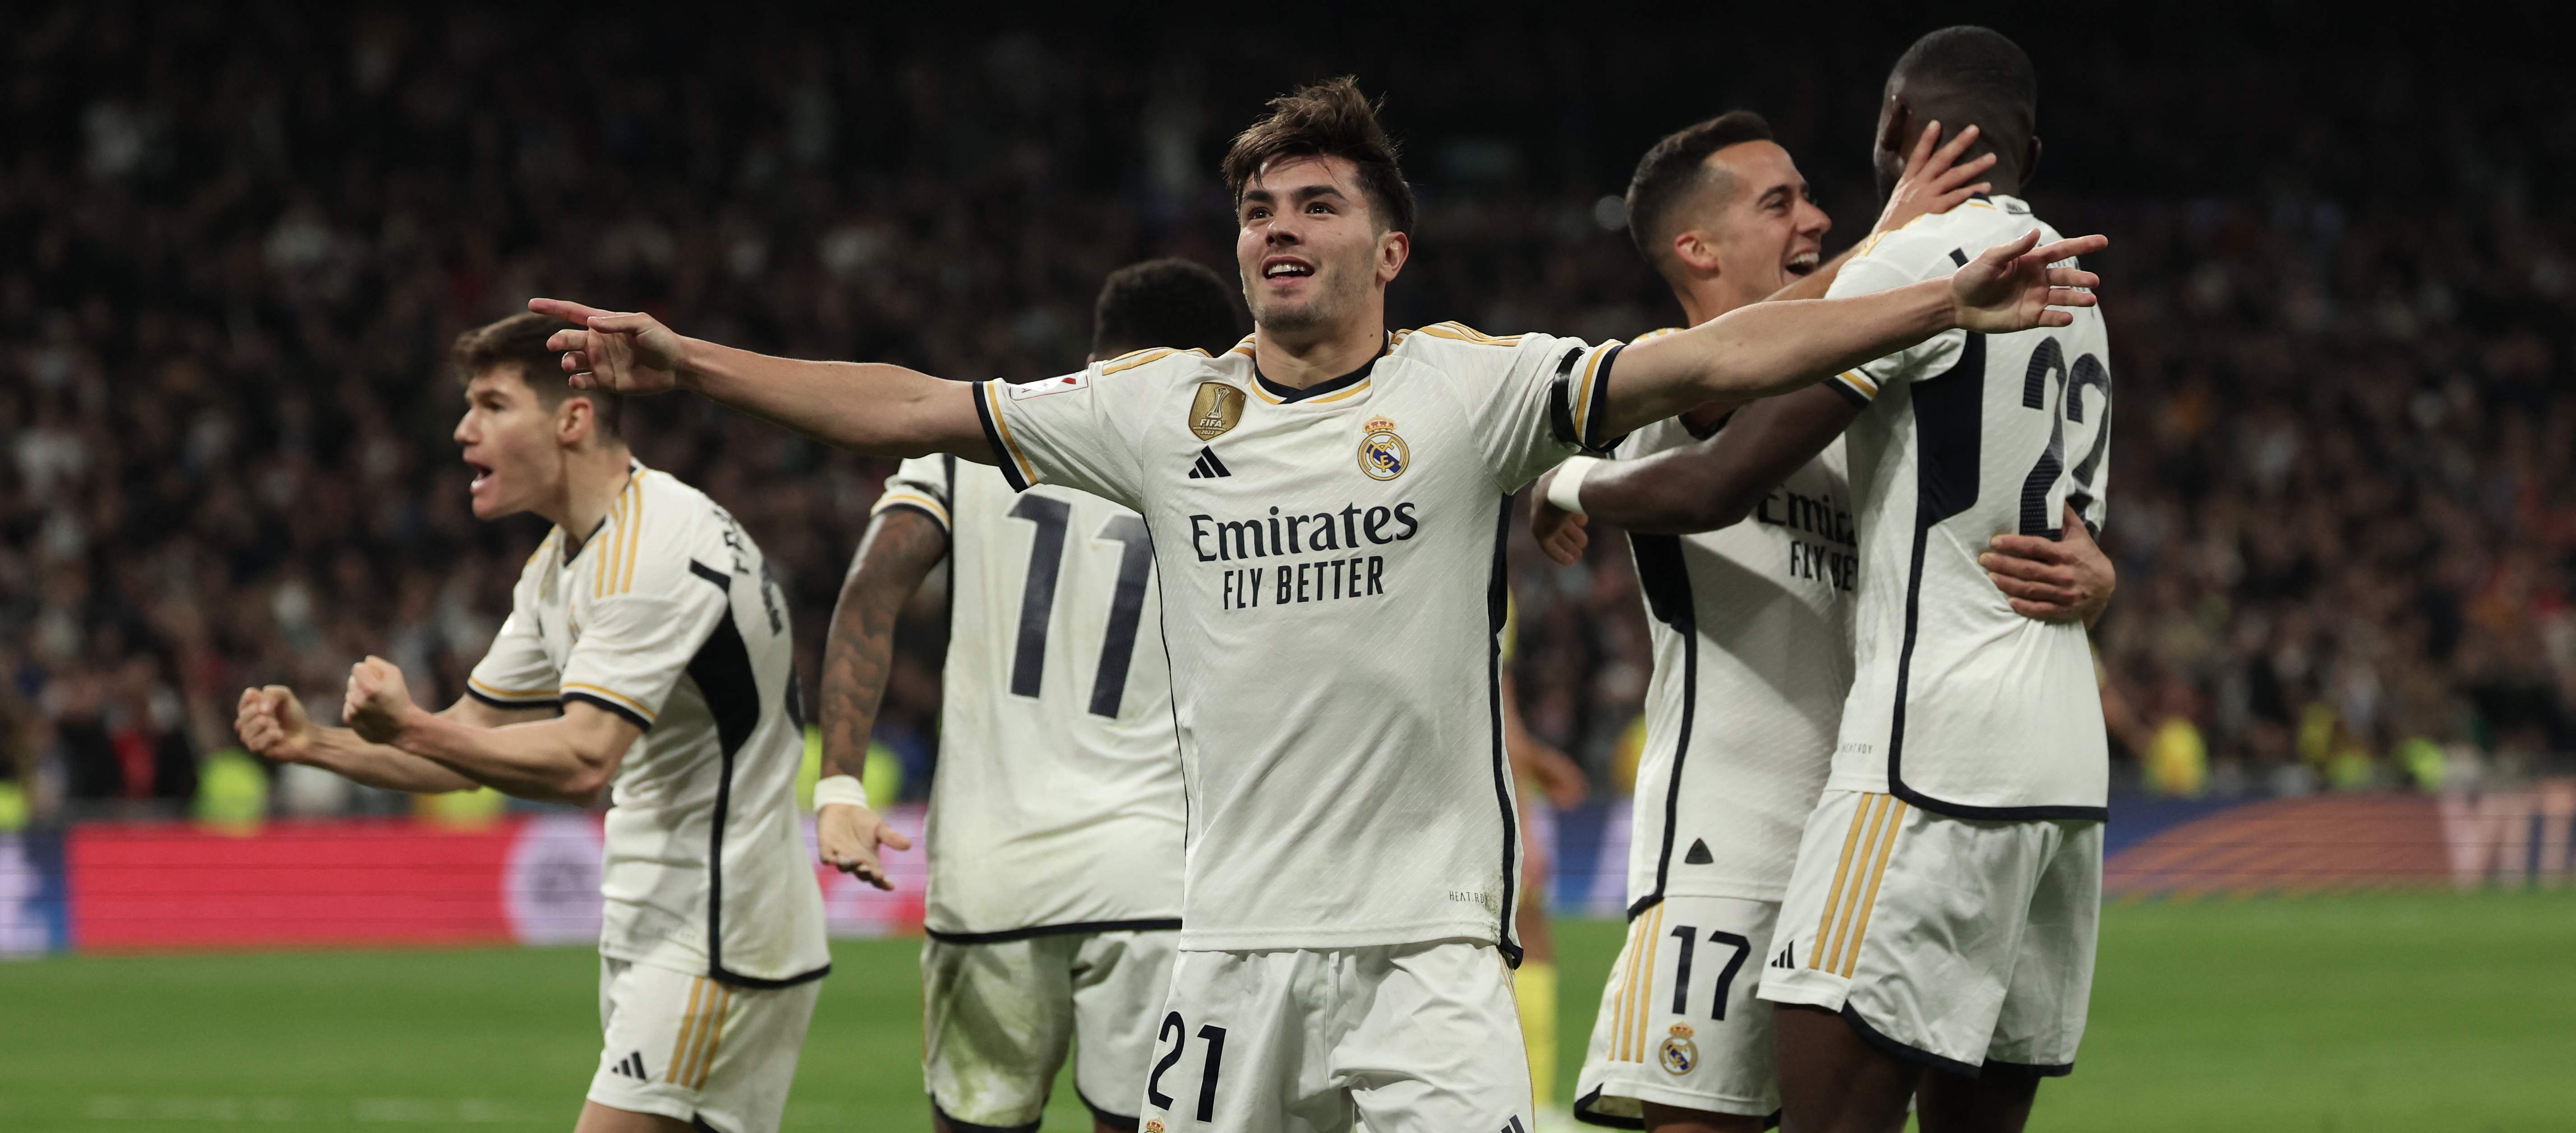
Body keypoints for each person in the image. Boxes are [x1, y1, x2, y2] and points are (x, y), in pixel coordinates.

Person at [530, 75, 2102, 1132]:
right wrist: (688, 359)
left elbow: (1711, 362)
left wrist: (1926, 299)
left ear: (1387, 246)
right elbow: (906, 407)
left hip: (1427, 957)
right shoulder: (1156, 412)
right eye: (1258, 210)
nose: (1277, 227)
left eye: (1316, 205)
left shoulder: (1470, 392)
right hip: (1227, 950)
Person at [1531, 111, 2115, 1133]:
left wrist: (2092, 573)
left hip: (1874, 833)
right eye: (1780, 203)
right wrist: (1890, 249)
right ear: (1697, 250)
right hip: (1727, 847)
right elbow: (1726, 373)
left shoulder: (1860, 408)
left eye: (1812, 196)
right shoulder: (1675, 372)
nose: (1819, 216)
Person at [233, 313, 828, 1133]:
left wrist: (408, 727)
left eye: (491, 405)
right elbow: (469, 743)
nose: (463, 429)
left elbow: (584, 757)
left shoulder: (653, 551)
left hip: (718, 929)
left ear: (572, 420)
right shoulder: (565, 560)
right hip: (669, 916)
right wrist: (318, 746)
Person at [810, 258, 1240, 1133]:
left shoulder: (975, 438)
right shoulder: (1230, 465)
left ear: (1098, 345)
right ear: (1209, 358)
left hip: (992, 874)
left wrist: (840, 785)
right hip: (1161, 876)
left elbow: (871, 591)